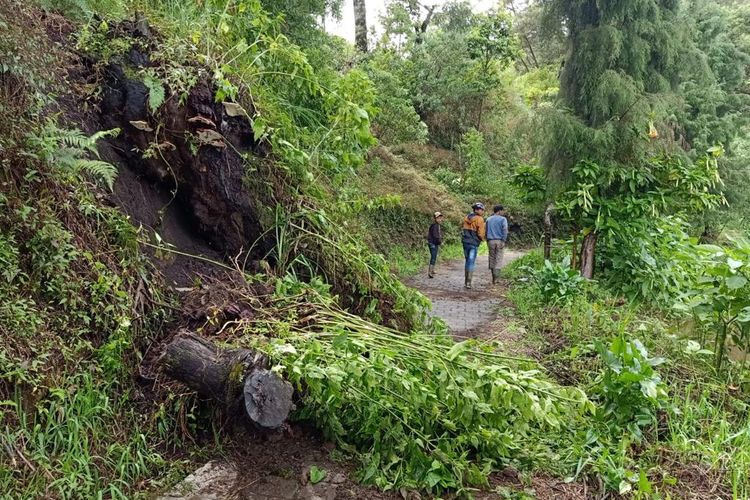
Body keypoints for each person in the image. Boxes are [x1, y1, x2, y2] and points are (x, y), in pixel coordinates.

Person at [461, 202, 486, 289]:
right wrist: (482, 239)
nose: (482, 211)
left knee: (467, 260)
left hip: (465, 242)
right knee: (471, 262)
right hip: (474, 243)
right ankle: (468, 282)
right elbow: (481, 233)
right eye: (481, 209)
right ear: (477, 210)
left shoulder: (466, 217)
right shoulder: (480, 219)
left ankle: (465, 282)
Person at [486, 205, 508, 284]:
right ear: (499, 211)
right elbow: (505, 229)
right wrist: (503, 240)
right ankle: (497, 279)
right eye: (502, 211)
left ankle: (493, 277)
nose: (503, 212)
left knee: (491, 258)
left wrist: (487, 240)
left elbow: (486, 230)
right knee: (498, 258)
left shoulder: (488, 219)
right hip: (499, 241)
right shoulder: (503, 219)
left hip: (490, 241)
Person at [427, 212, 444, 278]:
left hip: (434, 243)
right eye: (438, 218)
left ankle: (432, 270)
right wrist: (440, 242)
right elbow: (436, 236)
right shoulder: (434, 225)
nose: (439, 219)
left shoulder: (437, 225)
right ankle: (430, 272)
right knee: (433, 257)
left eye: (440, 218)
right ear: (435, 218)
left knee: (434, 256)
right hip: (432, 243)